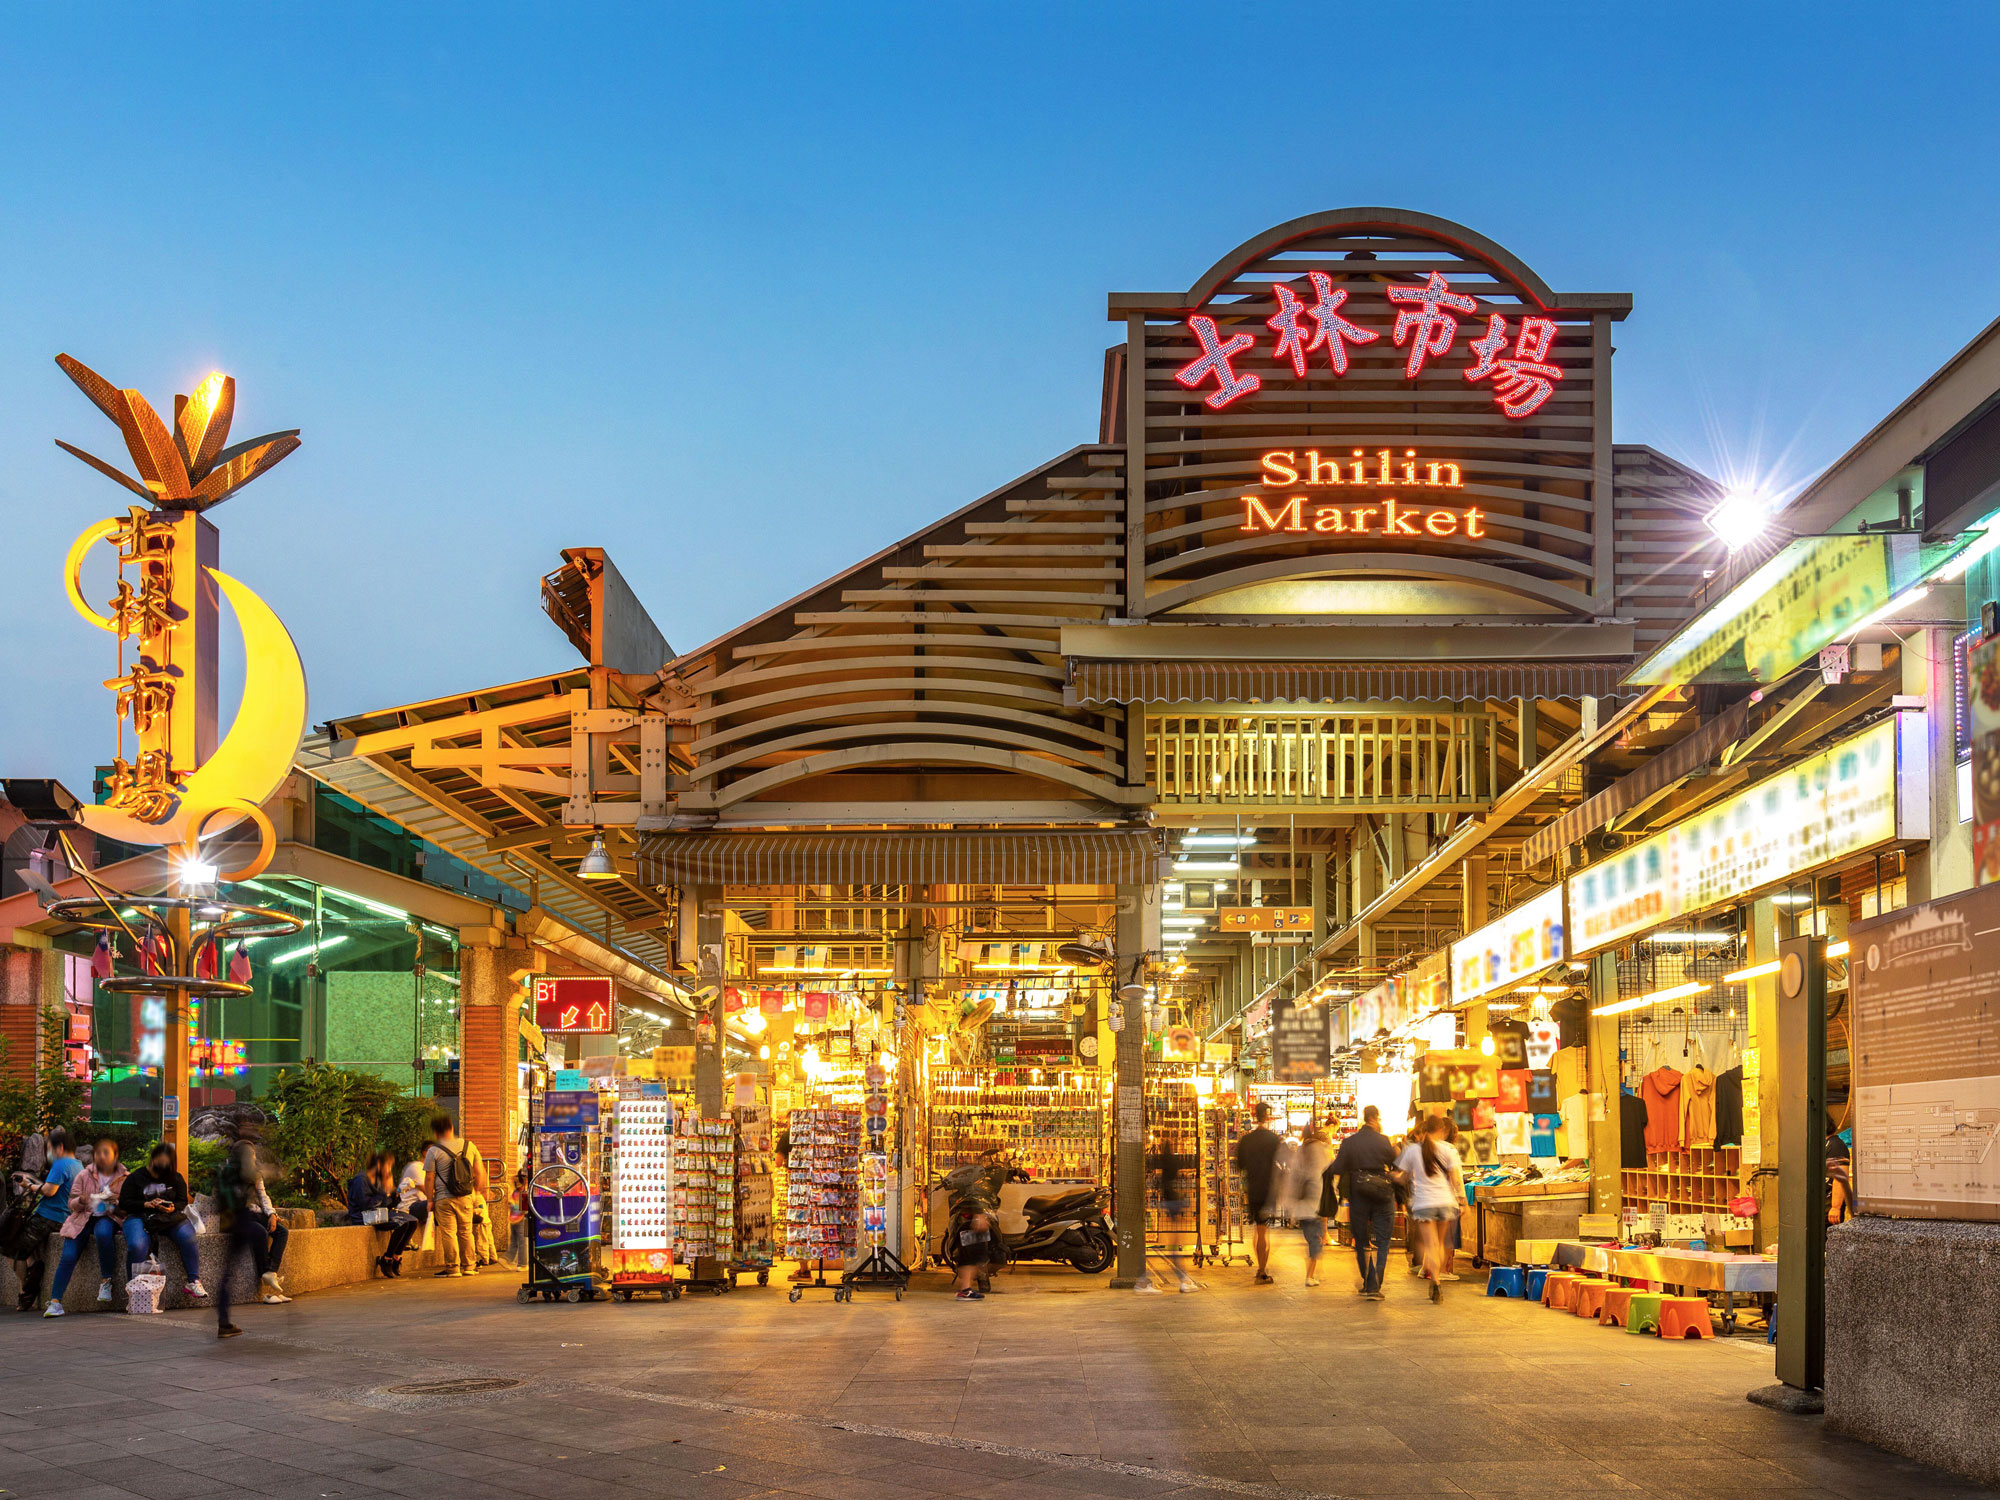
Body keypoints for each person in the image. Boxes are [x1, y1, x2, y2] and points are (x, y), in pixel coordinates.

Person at [214, 1139, 292, 1339]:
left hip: (242, 1218)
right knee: (257, 1235)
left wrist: (271, 1213)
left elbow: (262, 1193)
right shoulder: (229, 1174)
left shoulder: (246, 1173)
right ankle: (266, 1271)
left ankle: (224, 1323)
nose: (254, 1159)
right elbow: (227, 1201)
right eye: (251, 1156)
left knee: (228, 1272)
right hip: (235, 1220)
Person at [45, 1136, 126, 1316]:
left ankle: (106, 1281)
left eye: (106, 1153)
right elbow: (71, 1203)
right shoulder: (84, 1175)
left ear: (115, 1155)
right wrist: (80, 1200)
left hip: (108, 1217)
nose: (102, 1156)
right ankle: (55, 1301)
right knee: (68, 1255)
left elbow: (127, 1205)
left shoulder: (124, 1177)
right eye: (98, 1153)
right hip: (82, 1218)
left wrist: (115, 1201)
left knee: (103, 1234)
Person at [118, 1142, 207, 1304]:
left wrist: (172, 1208)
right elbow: (124, 1202)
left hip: (168, 1218)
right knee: (137, 1245)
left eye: (166, 1165)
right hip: (139, 1216)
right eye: (159, 1164)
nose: (161, 1169)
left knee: (188, 1236)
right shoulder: (136, 1177)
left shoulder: (175, 1178)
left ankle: (193, 1280)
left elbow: (182, 1201)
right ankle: (133, 1288)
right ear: (152, 1160)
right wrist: (146, 1204)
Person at [1331, 1105, 1401, 1300]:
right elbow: (1396, 1165)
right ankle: (1375, 1284)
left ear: (1364, 1118)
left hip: (1359, 1193)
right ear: (1375, 1118)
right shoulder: (1383, 1140)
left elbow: (1337, 1167)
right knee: (1383, 1240)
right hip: (1382, 1193)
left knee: (1361, 1241)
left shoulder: (1350, 1142)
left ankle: (1368, 1282)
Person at [1396, 1115, 1465, 1303]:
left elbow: (1402, 1177)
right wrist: (1462, 1201)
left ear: (1424, 1131)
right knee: (1441, 1244)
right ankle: (1437, 1276)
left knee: (1431, 1245)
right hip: (1446, 1202)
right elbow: (1456, 1179)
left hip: (1424, 1204)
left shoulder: (1412, 1151)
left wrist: (1389, 1176)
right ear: (1441, 1131)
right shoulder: (1448, 1149)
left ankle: (1434, 1280)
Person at [9, 1128, 78, 1311]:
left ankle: (27, 1289)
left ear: (59, 1148)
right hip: (65, 1217)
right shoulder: (78, 1165)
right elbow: (53, 1187)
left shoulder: (60, 1164)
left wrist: (28, 1185)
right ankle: (34, 1265)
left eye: (49, 1149)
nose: (48, 1154)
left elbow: (49, 1191)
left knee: (12, 1249)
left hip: (47, 1217)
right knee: (29, 1250)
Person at [423, 1113, 485, 1278]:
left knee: (449, 1233)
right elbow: (480, 1172)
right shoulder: (469, 1146)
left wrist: (429, 1199)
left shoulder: (433, 1151)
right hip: (465, 1196)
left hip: (443, 1198)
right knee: (466, 1231)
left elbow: (429, 1177)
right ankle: (470, 1266)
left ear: (435, 1133)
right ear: (451, 1127)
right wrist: (477, 1191)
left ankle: (453, 1268)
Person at [347, 1151, 420, 1276]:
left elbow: (388, 1205)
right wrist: (385, 1192)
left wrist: (395, 1194)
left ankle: (396, 1257)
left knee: (412, 1221)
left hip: (377, 1213)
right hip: (363, 1216)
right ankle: (387, 1259)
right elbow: (366, 1205)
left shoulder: (378, 1180)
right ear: (379, 1165)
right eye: (388, 1166)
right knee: (401, 1223)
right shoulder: (361, 1179)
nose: (389, 1170)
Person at [1232, 1101, 1282, 1284]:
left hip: (1252, 1188)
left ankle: (1261, 1267)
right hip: (1268, 1189)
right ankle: (1261, 1271)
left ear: (1254, 1115)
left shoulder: (1246, 1140)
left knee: (1258, 1230)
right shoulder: (1274, 1139)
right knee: (1263, 1231)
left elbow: (1239, 1165)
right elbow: (1282, 1164)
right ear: (1267, 1116)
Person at [1142, 1131, 1197, 1293]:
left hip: (1167, 1201)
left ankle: (1181, 1279)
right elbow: (1178, 1179)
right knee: (1174, 1242)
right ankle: (1183, 1280)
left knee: (1171, 1241)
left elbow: (1161, 1182)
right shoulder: (1173, 1161)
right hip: (1175, 1202)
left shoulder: (1160, 1162)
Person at [1290, 1123, 1335, 1288]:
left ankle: (1314, 1270)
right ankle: (1310, 1275)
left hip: (1303, 1204)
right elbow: (1331, 1166)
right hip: (1316, 1201)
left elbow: (1294, 1176)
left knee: (1312, 1239)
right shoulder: (1321, 1150)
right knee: (1316, 1241)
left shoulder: (1300, 1151)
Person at [506, 1169, 529, 1269]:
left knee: (517, 1241)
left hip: (515, 1220)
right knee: (522, 1242)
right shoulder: (523, 1193)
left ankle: (510, 1260)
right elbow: (524, 1210)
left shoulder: (516, 1192)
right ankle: (521, 1263)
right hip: (520, 1220)